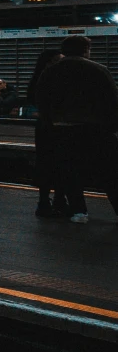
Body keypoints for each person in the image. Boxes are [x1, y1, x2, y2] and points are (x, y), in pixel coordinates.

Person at [29, 36, 118, 223]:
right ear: (86, 49)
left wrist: (51, 124)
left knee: (70, 171)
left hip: (62, 130)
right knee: (109, 172)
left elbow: (42, 101)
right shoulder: (99, 70)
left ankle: (79, 212)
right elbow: (112, 100)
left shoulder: (50, 71)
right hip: (96, 129)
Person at [27, 47, 64, 217]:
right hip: (56, 126)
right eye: (58, 60)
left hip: (43, 126)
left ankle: (45, 201)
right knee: (61, 163)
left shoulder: (37, 78)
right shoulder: (57, 79)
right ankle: (58, 200)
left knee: (45, 163)